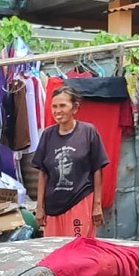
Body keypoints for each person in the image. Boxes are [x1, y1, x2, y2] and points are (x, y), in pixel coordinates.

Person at [31, 86, 110, 238]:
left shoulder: (88, 132)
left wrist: (97, 205)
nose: (57, 111)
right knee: (54, 251)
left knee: (78, 249)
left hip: (79, 202)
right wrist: (40, 207)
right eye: (54, 106)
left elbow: (97, 169)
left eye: (62, 106)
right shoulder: (47, 135)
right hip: (53, 206)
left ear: (75, 108)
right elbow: (43, 173)